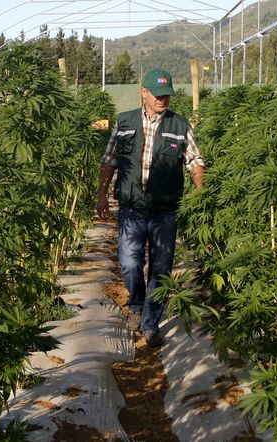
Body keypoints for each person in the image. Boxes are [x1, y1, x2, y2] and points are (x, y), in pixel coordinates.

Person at [95, 68, 205, 347]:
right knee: (130, 263)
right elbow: (109, 161)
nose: (163, 100)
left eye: (167, 95)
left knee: (161, 268)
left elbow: (195, 162)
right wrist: (101, 195)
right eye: (158, 94)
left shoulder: (179, 126)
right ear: (143, 92)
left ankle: (150, 323)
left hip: (165, 210)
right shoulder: (125, 122)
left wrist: (202, 192)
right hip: (131, 208)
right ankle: (136, 304)